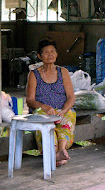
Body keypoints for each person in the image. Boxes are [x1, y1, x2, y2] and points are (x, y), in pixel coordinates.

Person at [26, 39, 76, 167]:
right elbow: (30, 100)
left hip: (60, 110)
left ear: (57, 54)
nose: (50, 54)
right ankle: (55, 153)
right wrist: (45, 107)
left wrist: (63, 110)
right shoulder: (34, 74)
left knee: (69, 115)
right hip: (43, 111)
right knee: (45, 122)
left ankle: (61, 150)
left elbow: (71, 97)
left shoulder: (63, 72)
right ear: (39, 56)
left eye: (52, 51)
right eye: (46, 52)